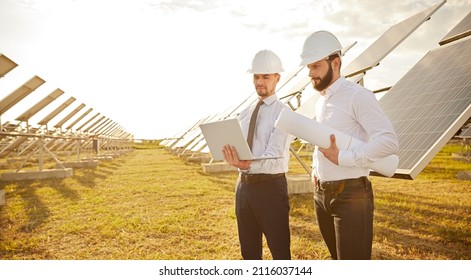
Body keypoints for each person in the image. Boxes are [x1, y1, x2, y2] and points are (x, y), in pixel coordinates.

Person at [299, 31, 399, 260]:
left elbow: (388, 142)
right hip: (321, 195)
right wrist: (317, 169)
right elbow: (325, 141)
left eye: (315, 66)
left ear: (336, 63)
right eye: (309, 68)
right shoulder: (321, 102)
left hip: (351, 196)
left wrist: (343, 158)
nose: (310, 74)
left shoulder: (358, 96)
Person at [222, 49, 293, 260]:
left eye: (265, 76)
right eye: (256, 76)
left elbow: (274, 156)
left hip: (270, 189)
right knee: (249, 253)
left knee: (280, 253)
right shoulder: (245, 114)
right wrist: (231, 156)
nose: (259, 82)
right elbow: (239, 148)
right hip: (243, 188)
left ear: (277, 78)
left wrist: (245, 165)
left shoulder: (284, 112)